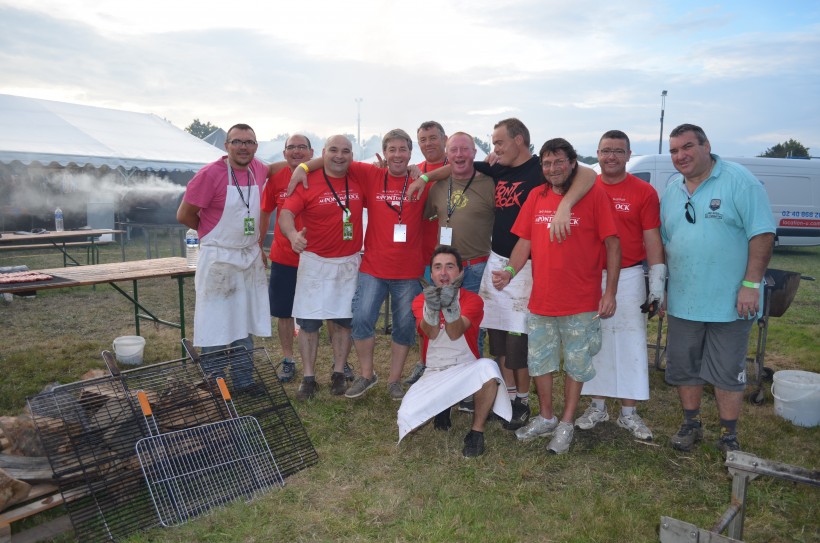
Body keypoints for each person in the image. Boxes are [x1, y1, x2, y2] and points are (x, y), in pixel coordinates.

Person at [494, 138, 620, 455]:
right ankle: (547, 417)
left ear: (572, 163)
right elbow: (524, 242)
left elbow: (613, 244)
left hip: (581, 302)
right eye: (547, 163)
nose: (553, 169)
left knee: (577, 366)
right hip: (542, 302)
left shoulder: (594, 195)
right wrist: (509, 272)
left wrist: (610, 292)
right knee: (541, 364)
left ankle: (566, 424)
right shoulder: (536, 196)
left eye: (559, 162)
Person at [287, 130, 428, 401]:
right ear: (384, 154)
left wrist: (426, 175)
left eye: (403, 149)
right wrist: (303, 166)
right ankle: (366, 374)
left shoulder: (420, 179)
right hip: (372, 267)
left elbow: (450, 169)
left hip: (408, 270)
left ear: (411, 154)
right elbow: (334, 160)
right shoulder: (371, 175)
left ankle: (394, 380)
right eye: (392, 149)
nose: (398, 154)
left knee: (404, 327)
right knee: (361, 320)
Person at [660, 123, 775, 453]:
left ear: (706, 146)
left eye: (687, 147)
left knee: (727, 370)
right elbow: (669, 244)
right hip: (684, 301)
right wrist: (666, 288)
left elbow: (762, 234)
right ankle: (691, 423)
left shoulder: (739, 181)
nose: (680, 156)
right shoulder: (672, 191)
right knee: (685, 367)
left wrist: (750, 284)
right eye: (674, 151)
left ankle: (728, 434)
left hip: (731, 301)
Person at [575, 130, 665, 441]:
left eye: (618, 151)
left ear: (628, 155)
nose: (611, 156)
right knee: (591, 342)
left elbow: (652, 238)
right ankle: (597, 406)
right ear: (596, 154)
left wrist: (657, 284)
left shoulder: (644, 192)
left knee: (630, 343)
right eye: (605, 151)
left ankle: (629, 413)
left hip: (628, 276)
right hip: (589, 276)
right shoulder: (584, 187)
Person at [176, 123, 271, 390]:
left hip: (248, 257)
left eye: (249, 142)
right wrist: (211, 233)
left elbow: (283, 168)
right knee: (216, 322)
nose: (243, 147)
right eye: (237, 141)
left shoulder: (259, 169)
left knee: (245, 319)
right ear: (226, 145)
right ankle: (213, 383)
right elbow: (184, 215)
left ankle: (243, 381)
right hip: (219, 257)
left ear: (256, 146)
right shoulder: (209, 175)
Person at [397, 246, 512, 457]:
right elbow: (430, 333)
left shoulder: (473, 300)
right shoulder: (421, 300)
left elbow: (455, 332)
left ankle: (476, 432)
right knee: (408, 423)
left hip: (465, 366)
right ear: (430, 274)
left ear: (460, 273)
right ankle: (443, 406)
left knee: (489, 368)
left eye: (450, 267)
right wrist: (432, 309)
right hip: (434, 370)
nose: (443, 273)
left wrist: (449, 306)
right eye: (438, 267)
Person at [279, 135, 365, 401]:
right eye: (334, 150)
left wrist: (305, 165)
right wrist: (293, 236)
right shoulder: (306, 180)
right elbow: (285, 215)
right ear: (324, 153)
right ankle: (308, 377)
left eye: (346, 151)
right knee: (308, 323)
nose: (340, 156)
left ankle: (339, 372)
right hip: (315, 262)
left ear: (352, 154)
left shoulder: (359, 176)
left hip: (348, 262)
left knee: (343, 322)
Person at [259, 134, 314, 383]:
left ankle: (340, 363)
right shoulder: (275, 179)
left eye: (302, 147)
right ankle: (289, 359)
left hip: (318, 256)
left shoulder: (324, 175)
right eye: (291, 147)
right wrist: (258, 245)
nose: (296, 151)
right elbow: (264, 212)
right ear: (284, 154)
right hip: (284, 256)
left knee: (330, 311)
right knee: (284, 312)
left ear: (311, 153)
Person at [405, 121, 450, 386]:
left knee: (449, 313)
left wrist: (424, 177)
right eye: (422, 139)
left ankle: (447, 362)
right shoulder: (414, 171)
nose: (428, 143)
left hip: (448, 257)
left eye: (433, 138)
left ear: (444, 139)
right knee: (424, 316)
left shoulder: (454, 168)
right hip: (419, 256)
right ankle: (425, 362)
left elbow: (455, 167)